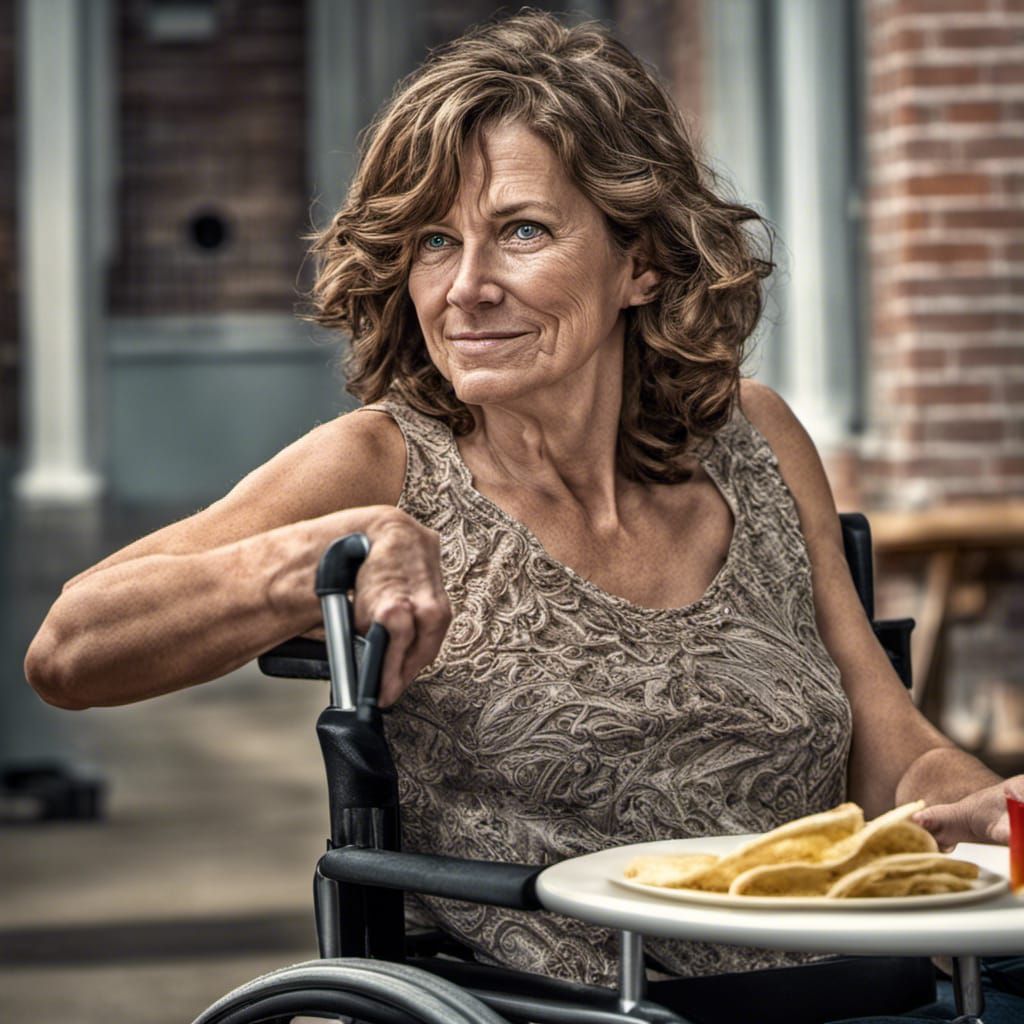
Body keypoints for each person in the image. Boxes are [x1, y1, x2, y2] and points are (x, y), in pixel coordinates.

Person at [24, 11, 1022, 1023]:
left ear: (644, 262)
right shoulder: (381, 461)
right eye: (432, 242)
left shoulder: (754, 438)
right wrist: (318, 558)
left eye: (522, 231)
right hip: (566, 1007)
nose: (466, 290)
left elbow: (891, 746)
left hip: (864, 983)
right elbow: (70, 646)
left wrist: (981, 800)